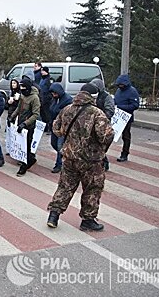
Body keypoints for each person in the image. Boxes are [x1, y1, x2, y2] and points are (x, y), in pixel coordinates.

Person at [47, 83, 114, 231]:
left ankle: (54, 215)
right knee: (92, 189)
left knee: (65, 186)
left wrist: (70, 138)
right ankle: (88, 220)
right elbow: (106, 135)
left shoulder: (67, 109)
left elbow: (56, 128)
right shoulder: (97, 113)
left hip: (70, 157)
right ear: (93, 97)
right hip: (91, 160)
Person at [7, 79, 40, 177]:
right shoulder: (22, 95)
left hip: (28, 126)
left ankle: (25, 165)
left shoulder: (34, 98)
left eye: (23, 87)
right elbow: (18, 108)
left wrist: (25, 124)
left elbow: (35, 114)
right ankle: (28, 159)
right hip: (20, 123)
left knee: (27, 145)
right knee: (21, 145)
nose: (22, 89)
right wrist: (12, 117)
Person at [113, 74, 139, 162]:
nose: (120, 86)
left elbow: (135, 105)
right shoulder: (118, 90)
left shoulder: (132, 91)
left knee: (126, 136)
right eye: (119, 85)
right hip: (117, 116)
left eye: (121, 85)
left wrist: (120, 107)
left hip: (126, 117)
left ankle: (125, 153)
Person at [91, 78, 115, 171]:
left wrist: (101, 117)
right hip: (93, 123)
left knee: (101, 145)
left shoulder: (106, 97)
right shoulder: (93, 95)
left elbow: (110, 111)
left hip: (103, 124)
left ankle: (104, 163)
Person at [48, 83, 73, 173]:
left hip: (63, 127)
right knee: (53, 143)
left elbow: (67, 113)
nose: (53, 95)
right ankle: (64, 156)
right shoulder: (55, 99)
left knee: (60, 145)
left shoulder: (68, 100)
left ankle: (59, 164)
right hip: (54, 125)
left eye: (55, 93)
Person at [39, 66, 52, 132]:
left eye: (42, 71)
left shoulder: (48, 79)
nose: (41, 72)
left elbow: (50, 89)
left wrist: (48, 98)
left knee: (47, 114)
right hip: (41, 99)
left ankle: (49, 128)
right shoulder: (42, 79)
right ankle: (45, 127)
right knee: (43, 114)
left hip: (46, 100)